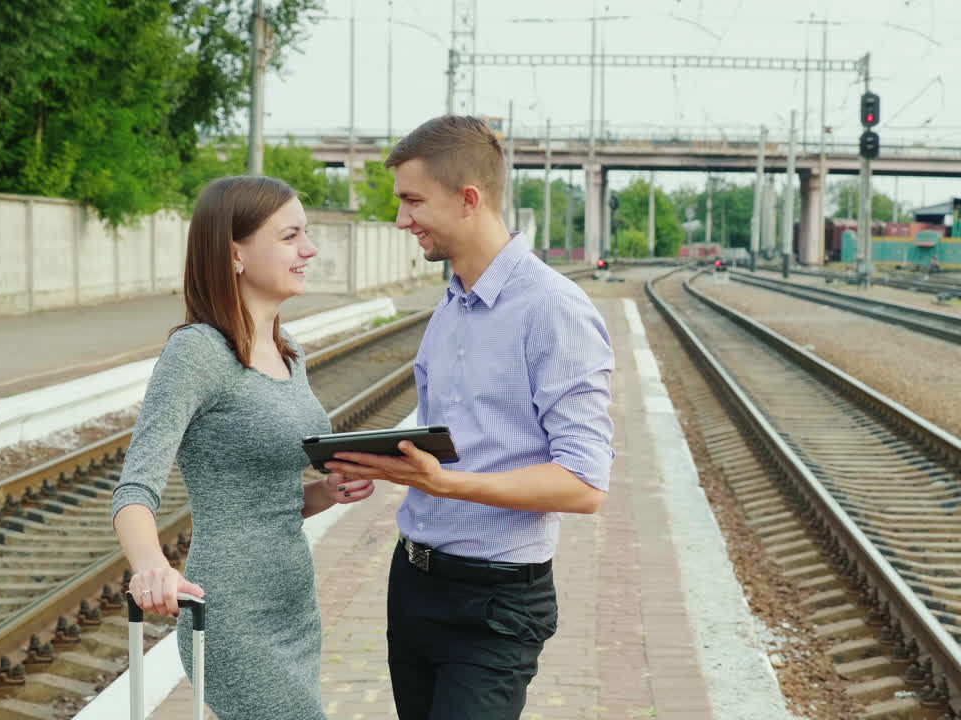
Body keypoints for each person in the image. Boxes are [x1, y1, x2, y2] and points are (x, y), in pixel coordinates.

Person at [324, 115, 615, 719]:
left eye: (411, 201)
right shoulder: (449, 308)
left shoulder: (555, 311)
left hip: (497, 601)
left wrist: (446, 484)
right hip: (415, 582)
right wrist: (385, 464)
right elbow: (451, 446)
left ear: (468, 200)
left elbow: (585, 485)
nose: (402, 220)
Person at [111, 175, 373, 719]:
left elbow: (266, 500)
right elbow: (135, 486)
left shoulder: (290, 351)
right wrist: (150, 565)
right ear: (235, 253)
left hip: (294, 604)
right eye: (290, 236)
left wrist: (325, 492)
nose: (310, 249)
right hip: (233, 611)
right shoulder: (197, 353)